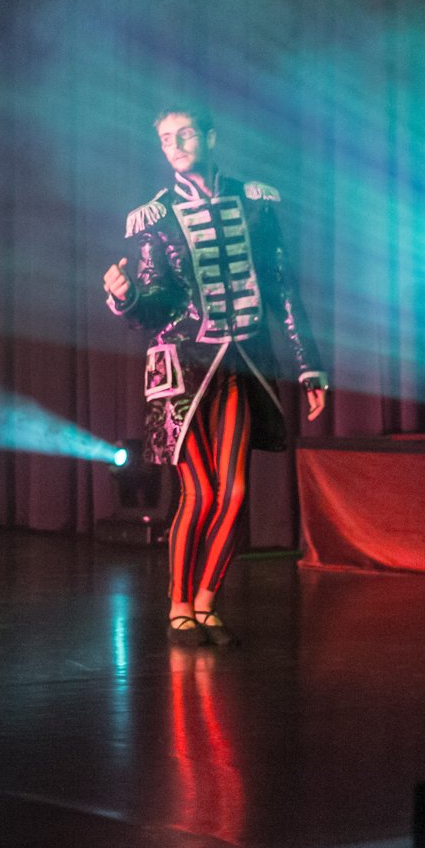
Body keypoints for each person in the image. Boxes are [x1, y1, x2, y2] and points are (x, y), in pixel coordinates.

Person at [103, 108, 327, 647]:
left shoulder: (256, 202)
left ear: (209, 137)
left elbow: (281, 288)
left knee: (236, 490)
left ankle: (206, 602)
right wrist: (123, 296)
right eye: (166, 138)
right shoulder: (154, 218)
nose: (176, 145)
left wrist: (309, 363)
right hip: (182, 367)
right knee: (200, 492)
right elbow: (155, 305)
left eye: (185, 134)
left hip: (240, 362)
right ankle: (179, 606)